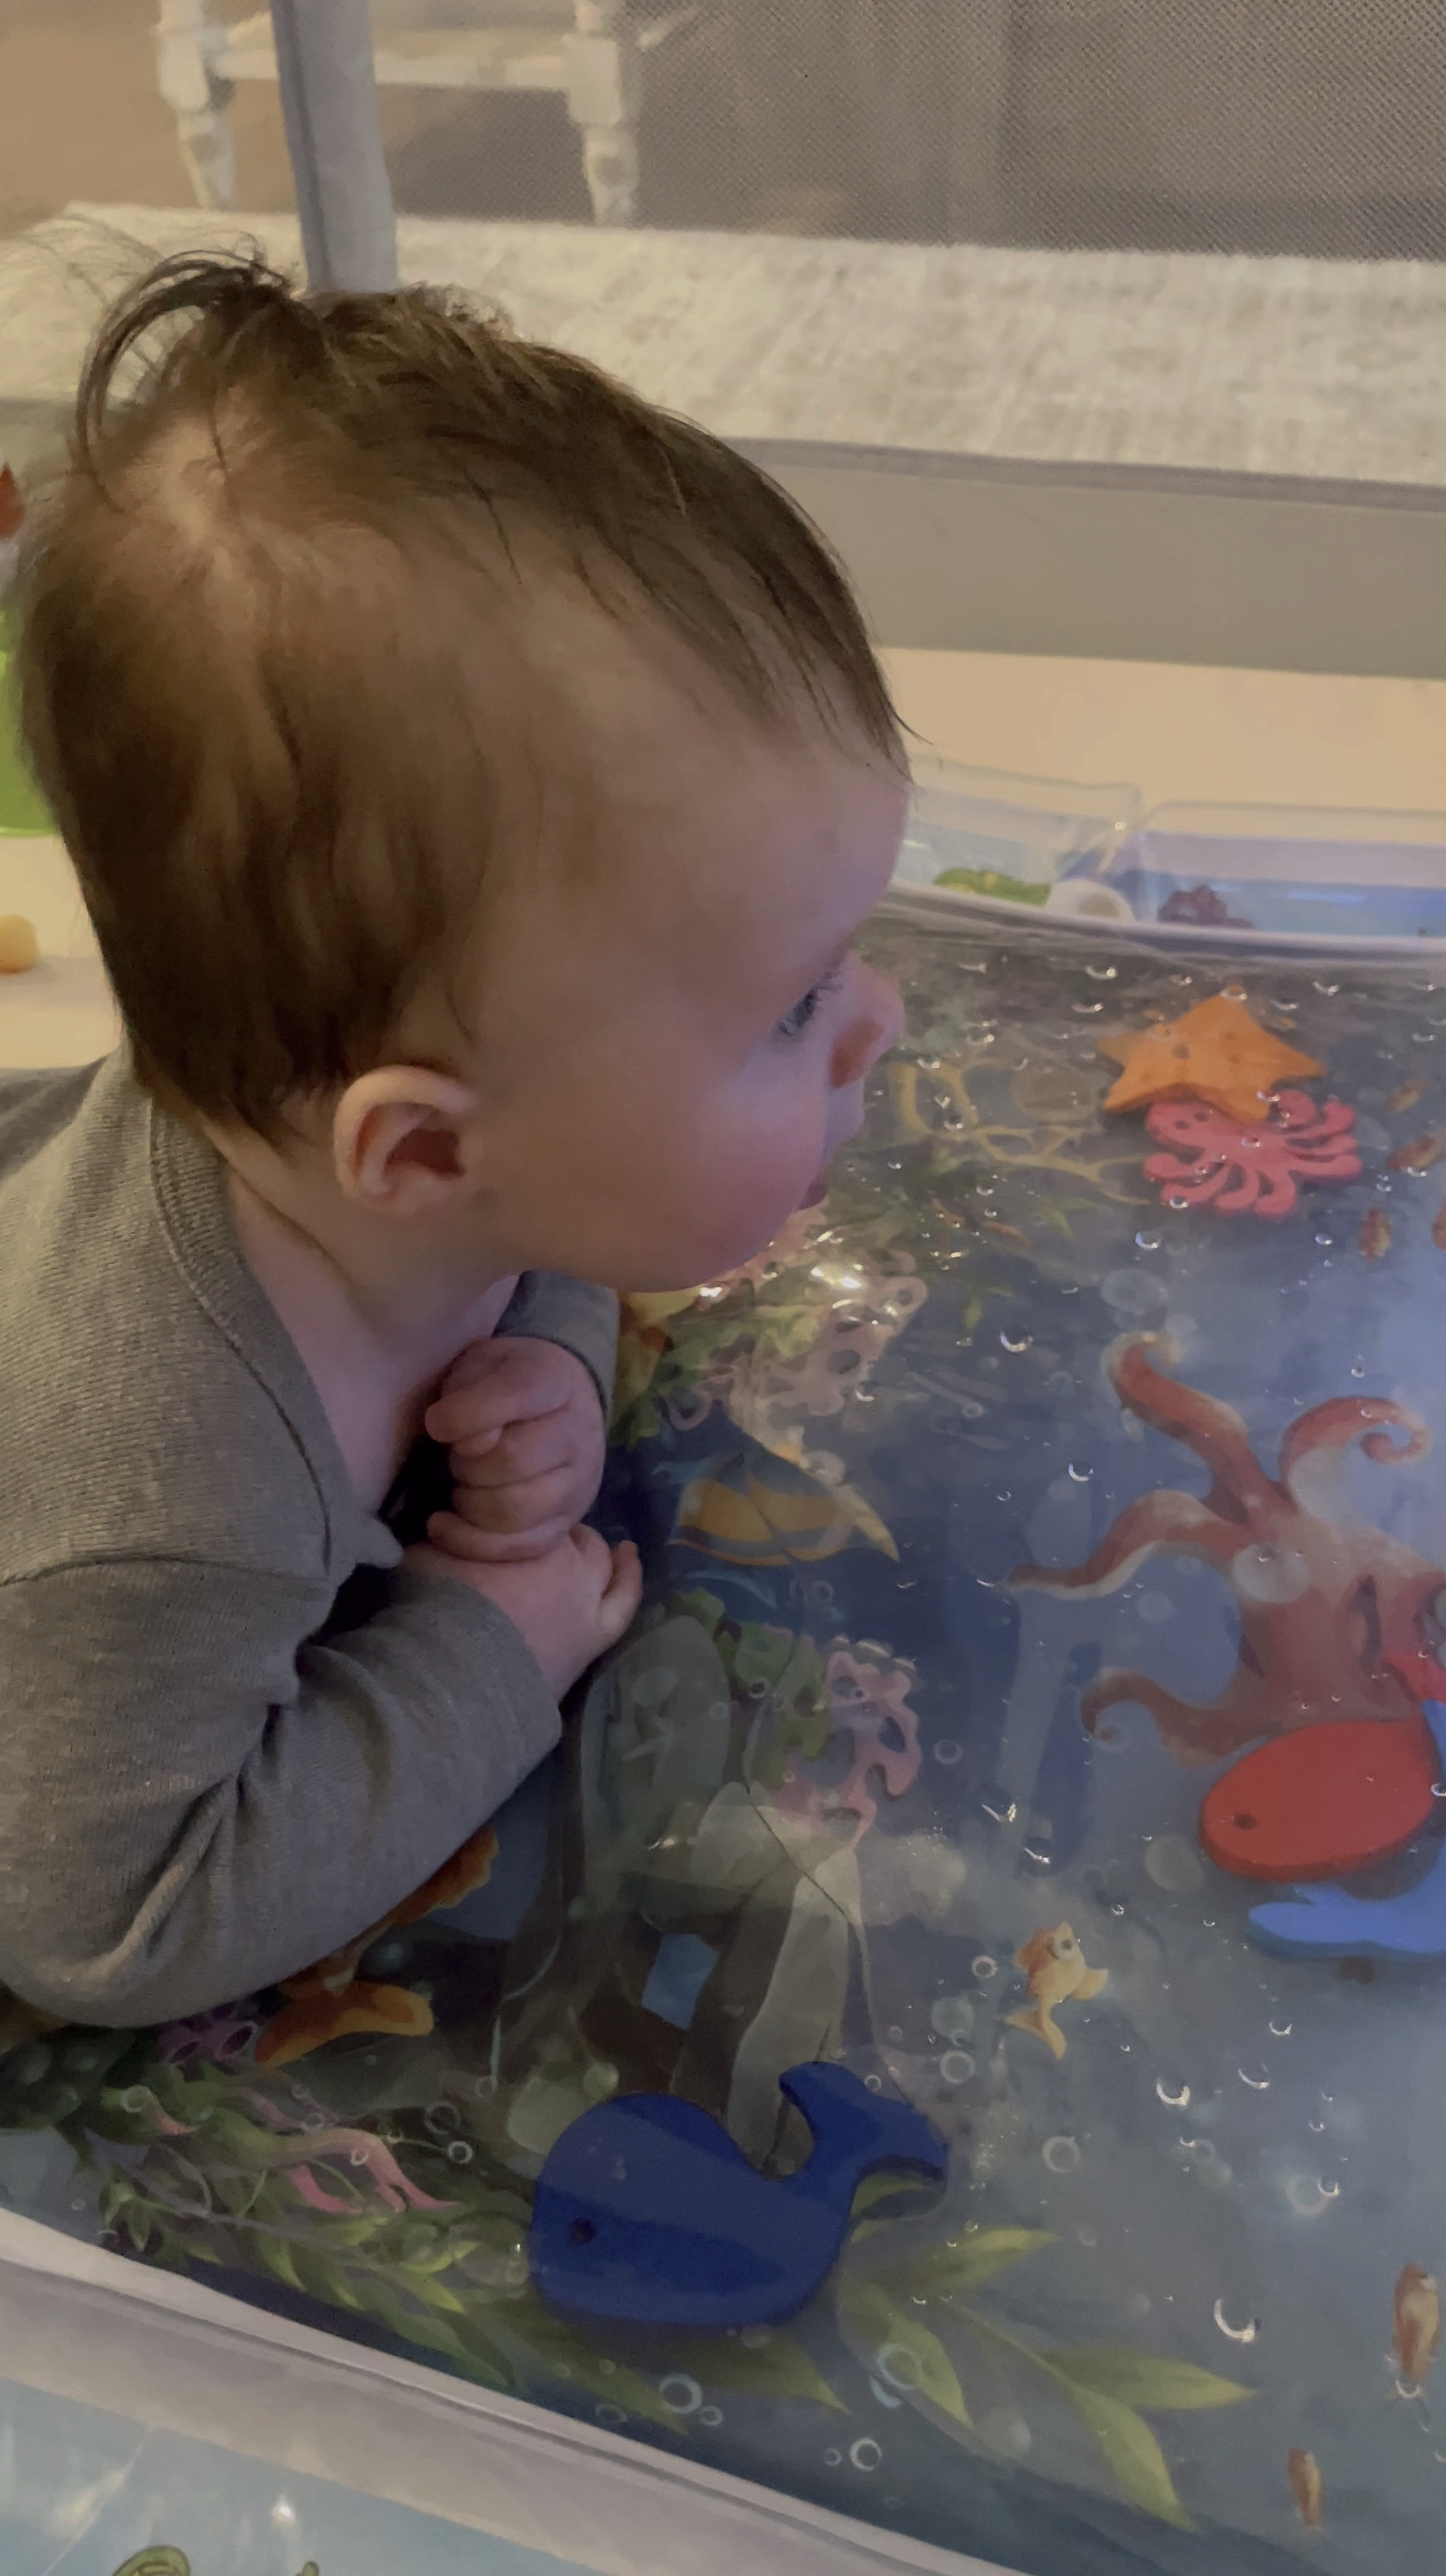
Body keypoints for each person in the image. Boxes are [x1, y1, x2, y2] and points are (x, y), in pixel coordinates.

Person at [0, 252, 905, 2029]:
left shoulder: (419, 1168)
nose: (877, 1019)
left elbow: (554, 1213)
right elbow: (111, 1926)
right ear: (414, 1155)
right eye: (792, 1006)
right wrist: (487, 1652)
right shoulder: (167, 1507)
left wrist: (548, 1354)